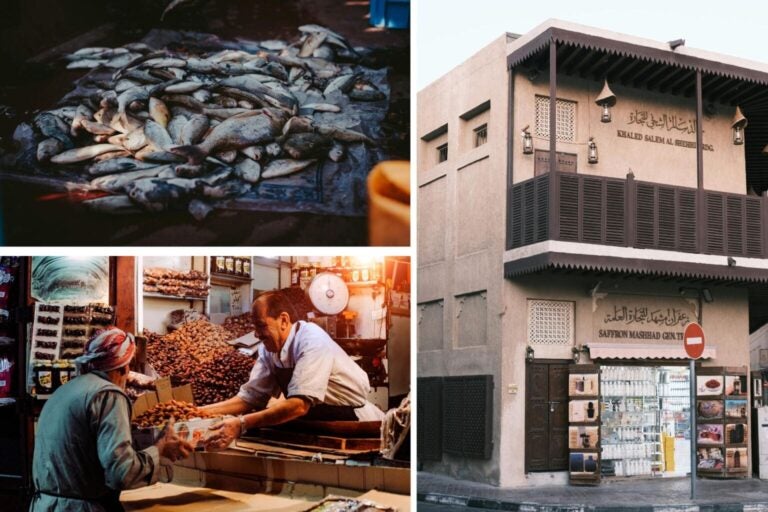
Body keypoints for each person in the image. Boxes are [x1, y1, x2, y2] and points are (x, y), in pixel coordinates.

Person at [30, 327, 194, 512]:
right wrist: (160, 449)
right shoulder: (108, 395)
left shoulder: (64, 390)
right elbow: (121, 472)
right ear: (124, 367)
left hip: (45, 505)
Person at [203, 290, 385, 450]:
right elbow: (250, 398)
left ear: (283, 320)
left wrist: (242, 424)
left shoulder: (311, 341)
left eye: (261, 325)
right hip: (314, 422)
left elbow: (298, 405)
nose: (257, 334)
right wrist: (198, 412)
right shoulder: (268, 350)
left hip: (350, 423)